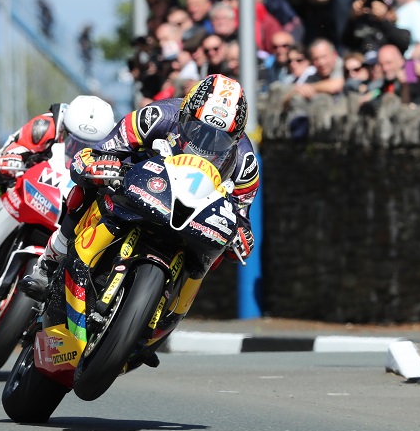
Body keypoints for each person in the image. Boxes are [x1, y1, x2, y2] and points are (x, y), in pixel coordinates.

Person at [20, 74, 260, 299]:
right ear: (184, 112)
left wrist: (240, 235)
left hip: (192, 212)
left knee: (214, 253)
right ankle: (51, 260)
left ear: (236, 138)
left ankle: (174, 311)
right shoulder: (158, 115)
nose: (203, 143)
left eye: (219, 139)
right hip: (139, 184)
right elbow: (102, 149)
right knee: (86, 187)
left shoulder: (245, 163)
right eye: (196, 128)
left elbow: (240, 217)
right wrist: (97, 164)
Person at [0, 97, 117, 262]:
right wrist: (12, 159)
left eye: (89, 145)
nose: (78, 148)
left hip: (68, 193)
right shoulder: (44, 127)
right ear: (64, 129)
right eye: (72, 139)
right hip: (31, 178)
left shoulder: (116, 143)